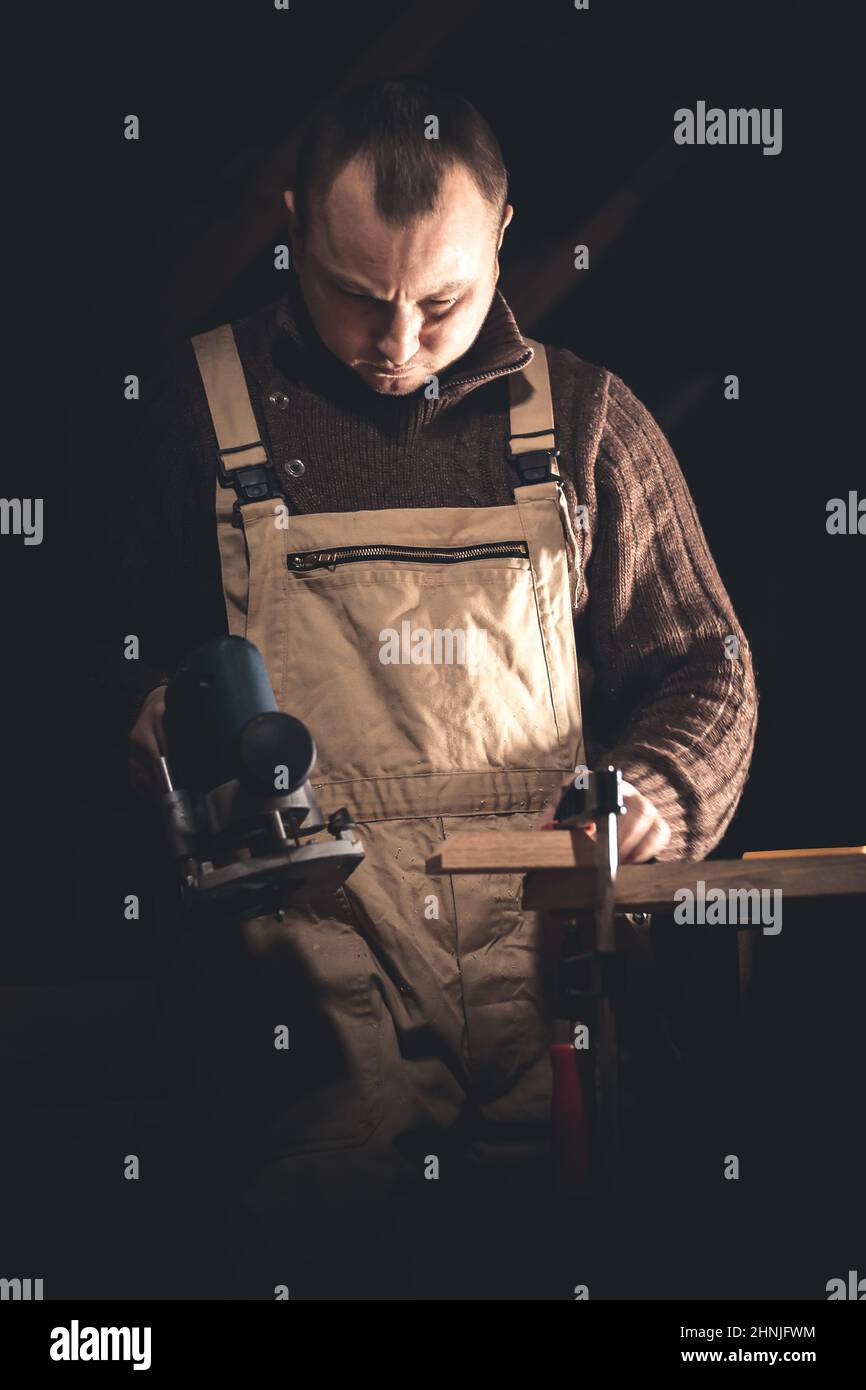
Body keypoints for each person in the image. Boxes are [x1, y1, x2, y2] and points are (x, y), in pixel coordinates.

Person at [78, 76, 757, 1298]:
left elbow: (704, 663)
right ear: (292, 224)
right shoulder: (195, 412)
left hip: (549, 963)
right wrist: (127, 715)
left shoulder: (591, 426)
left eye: (440, 301)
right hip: (304, 975)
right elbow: (88, 650)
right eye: (354, 295)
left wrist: (662, 787)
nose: (396, 345)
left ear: (500, 236)